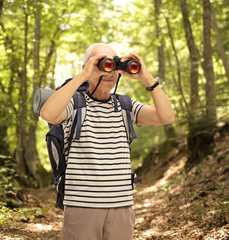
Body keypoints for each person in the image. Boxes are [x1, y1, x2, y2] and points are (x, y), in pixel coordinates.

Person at [40, 43, 175, 240]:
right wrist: (84, 76)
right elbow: (48, 113)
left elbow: (166, 117)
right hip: (82, 206)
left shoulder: (125, 106)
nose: (109, 71)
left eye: (114, 65)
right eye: (102, 63)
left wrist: (147, 78)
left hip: (121, 206)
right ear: (86, 66)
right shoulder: (75, 104)